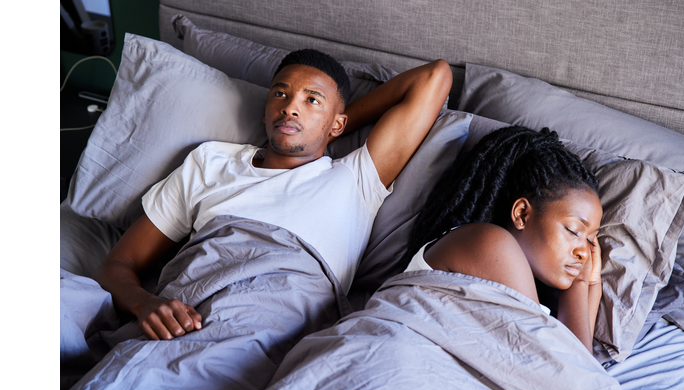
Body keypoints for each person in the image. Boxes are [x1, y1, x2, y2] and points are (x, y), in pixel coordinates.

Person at [92, 49, 453, 341]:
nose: (290, 107)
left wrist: (326, 131)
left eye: (312, 100)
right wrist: (144, 305)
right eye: (281, 93)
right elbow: (117, 265)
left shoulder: (355, 177)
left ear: (338, 123)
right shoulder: (210, 161)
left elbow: (435, 76)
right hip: (184, 314)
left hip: (274, 324)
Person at [405, 125, 603, 349]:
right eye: (574, 231)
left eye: (590, 239)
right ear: (521, 214)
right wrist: (580, 284)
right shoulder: (492, 243)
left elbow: (580, 371)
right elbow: (570, 370)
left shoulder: (503, 270)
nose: (584, 252)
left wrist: (590, 284)